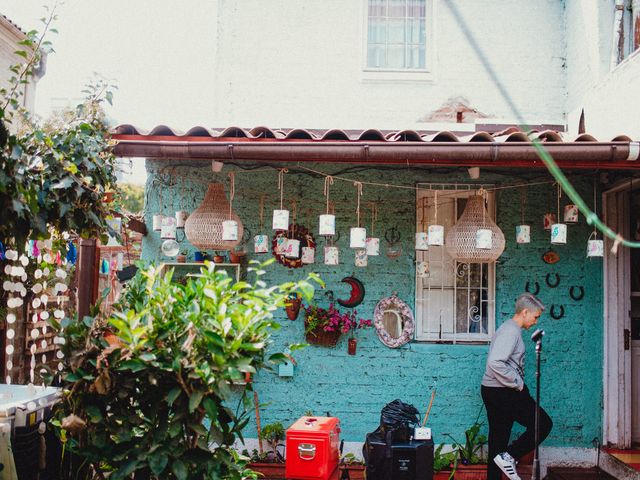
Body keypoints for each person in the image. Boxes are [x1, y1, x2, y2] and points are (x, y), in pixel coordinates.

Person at [481, 293, 553, 480]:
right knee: (543, 424)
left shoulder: (508, 328)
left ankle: (502, 461)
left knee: (498, 441)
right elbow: (495, 362)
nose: (536, 321)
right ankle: (510, 456)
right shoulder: (511, 331)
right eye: (535, 317)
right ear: (525, 312)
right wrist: (518, 383)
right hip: (504, 391)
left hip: (495, 390)